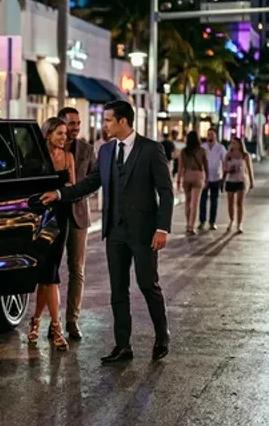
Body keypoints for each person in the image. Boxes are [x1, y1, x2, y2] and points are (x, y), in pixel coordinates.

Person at [41, 100, 173, 364]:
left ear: (123, 121)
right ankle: (123, 346)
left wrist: (162, 229)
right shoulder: (106, 151)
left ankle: (162, 336)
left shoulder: (150, 149)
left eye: (108, 120)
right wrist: (59, 193)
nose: (103, 125)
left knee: (148, 285)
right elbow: (91, 182)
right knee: (118, 290)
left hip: (145, 232)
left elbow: (166, 191)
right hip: (115, 232)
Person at [29, 117, 75, 352]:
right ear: (47, 134)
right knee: (48, 273)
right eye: (59, 133)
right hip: (41, 220)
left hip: (62, 218)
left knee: (49, 273)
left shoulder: (68, 157)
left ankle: (37, 323)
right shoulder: (35, 159)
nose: (64, 137)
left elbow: (73, 190)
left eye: (65, 134)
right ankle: (55, 328)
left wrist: (61, 194)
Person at [57, 107, 95, 340]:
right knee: (50, 271)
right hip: (54, 215)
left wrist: (78, 193)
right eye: (71, 123)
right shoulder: (50, 147)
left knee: (76, 270)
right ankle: (51, 320)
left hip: (79, 214)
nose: (75, 128)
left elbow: (95, 179)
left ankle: (72, 320)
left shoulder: (87, 150)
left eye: (78, 123)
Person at [176, 131, 209, 235]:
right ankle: (191, 226)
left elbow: (180, 167)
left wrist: (178, 180)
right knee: (194, 203)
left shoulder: (183, 151)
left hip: (187, 176)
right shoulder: (202, 151)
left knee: (187, 202)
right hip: (198, 176)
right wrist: (207, 177)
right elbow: (206, 165)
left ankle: (187, 224)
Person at [224, 137, 255, 233]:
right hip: (230, 180)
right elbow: (224, 167)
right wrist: (227, 171)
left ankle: (239, 224)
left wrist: (251, 181)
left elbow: (249, 169)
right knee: (230, 202)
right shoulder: (228, 154)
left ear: (240, 144)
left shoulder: (245, 155)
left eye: (235, 143)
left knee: (239, 203)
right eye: (232, 143)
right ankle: (231, 220)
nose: (233, 145)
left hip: (241, 180)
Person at [199, 128, 227, 231]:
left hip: (216, 177)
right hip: (205, 177)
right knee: (202, 200)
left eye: (211, 134)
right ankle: (202, 221)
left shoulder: (220, 148)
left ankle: (212, 222)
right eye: (208, 134)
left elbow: (224, 162)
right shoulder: (203, 147)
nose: (209, 136)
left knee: (214, 200)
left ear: (215, 135)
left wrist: (224, 177)